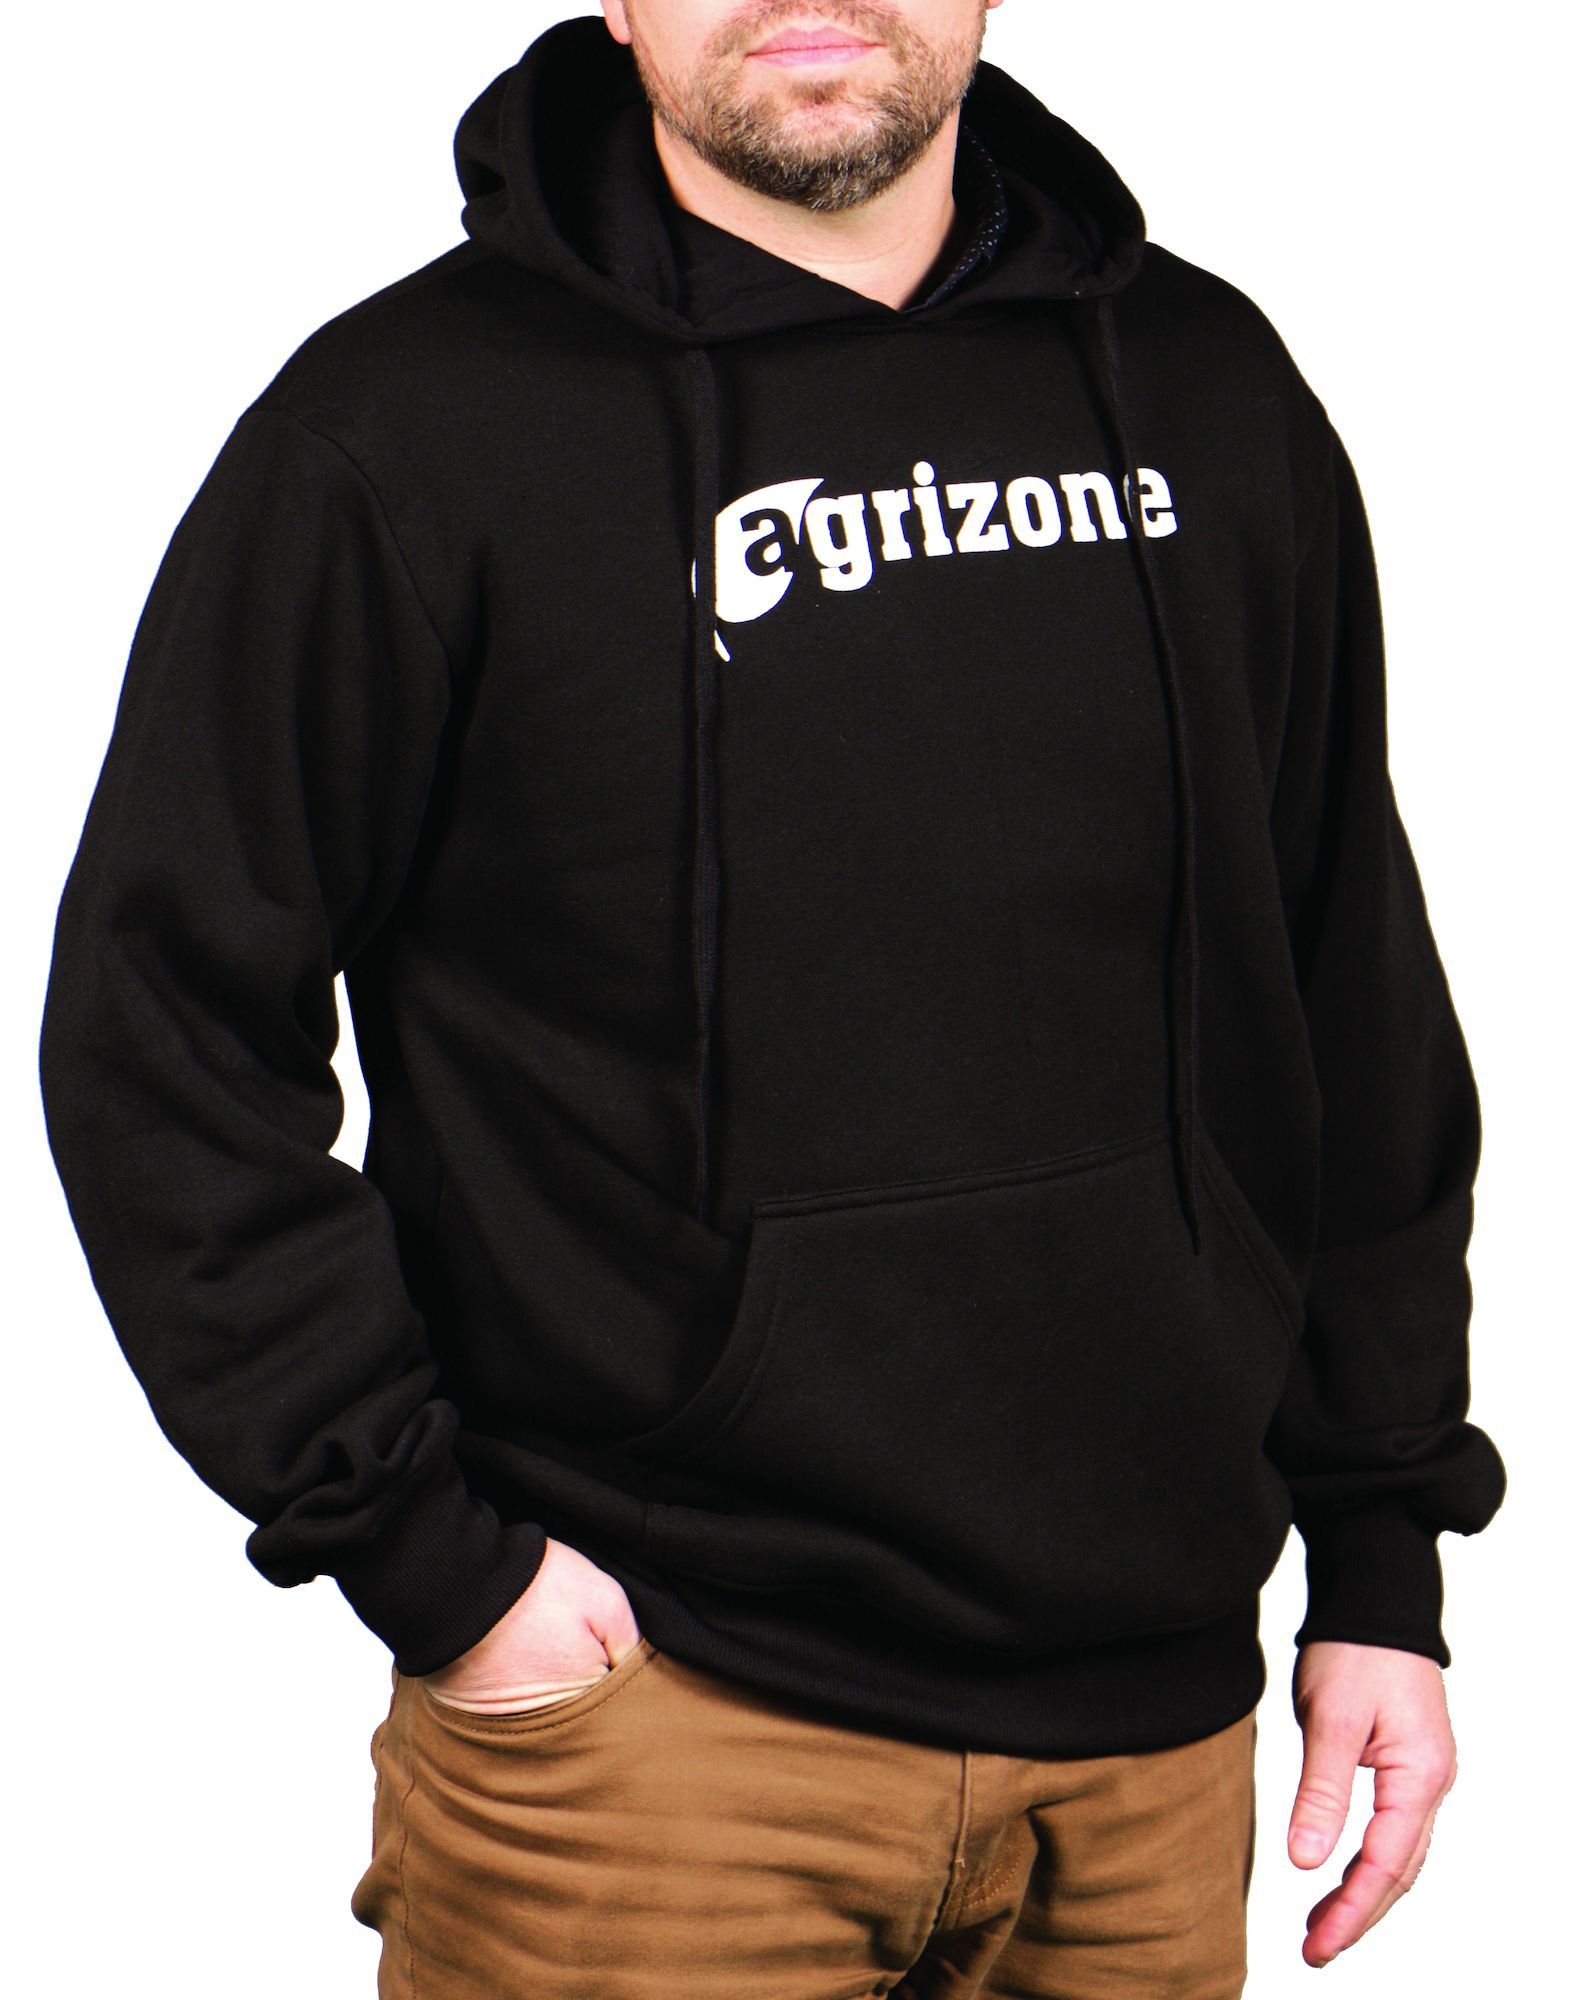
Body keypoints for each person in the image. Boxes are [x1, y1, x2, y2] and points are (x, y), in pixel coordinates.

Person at [38, 3, 1508, 1992]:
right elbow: (166, 1023)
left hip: (1161, 1743)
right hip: (659, 1741)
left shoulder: (1204, 385)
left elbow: (1347, 994)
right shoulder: (409, 428)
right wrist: (430, 1557)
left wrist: (1381, 1559)